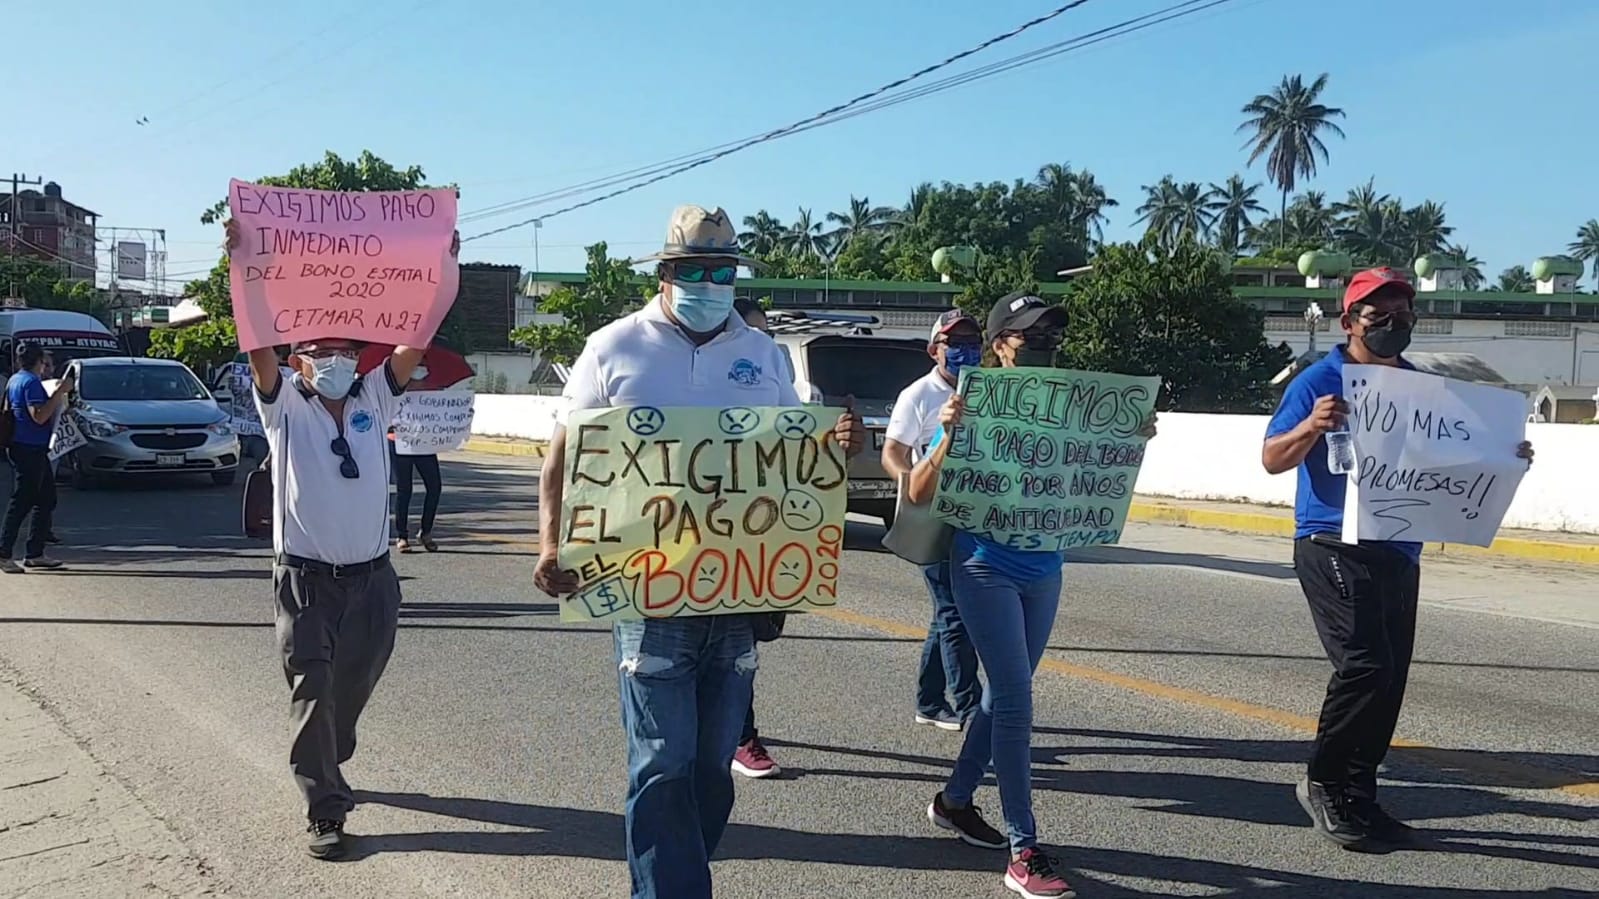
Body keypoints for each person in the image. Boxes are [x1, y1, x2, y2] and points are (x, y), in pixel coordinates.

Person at [534, 206, 863, 899]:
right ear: (666, 272)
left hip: (738, 595)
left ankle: (675, 875)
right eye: (695, 271)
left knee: (711, 767)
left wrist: (832, 447)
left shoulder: (760, 352)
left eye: (722, 271)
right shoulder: (613, 346)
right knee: (660, 762)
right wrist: (549, 542)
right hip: (647, 593)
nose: (711, 282)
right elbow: (563, 456)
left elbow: (792, 453)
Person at [1262, 267, 1533, 852]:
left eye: (1403, 315)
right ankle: (1325, 783)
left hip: (1398, 546)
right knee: (1362, 666)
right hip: (1331, 540)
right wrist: (1312, 425)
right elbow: (1271, 459)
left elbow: (1448, 460)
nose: (1392, 324)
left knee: (1389, 678)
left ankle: (1360, 793)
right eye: (1377, 315)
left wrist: (1504, 455)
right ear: (1349, 321)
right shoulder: (1320, 379)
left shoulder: (1421, 388)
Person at [906, 292, 1156, 899]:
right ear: (999, 346)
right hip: (985, 564)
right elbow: (915, 493)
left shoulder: (1075, 405)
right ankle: (1024, 848)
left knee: (1000, 699)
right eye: (1028, 337)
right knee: (1016, 701)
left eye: (1050, 337)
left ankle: (955, 800)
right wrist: (947, 438)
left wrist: (1130, 437)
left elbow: (1088, 474)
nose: (1043, 346)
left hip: (1044, 566)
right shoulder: (969, 404)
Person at [227, 220, 458, 860]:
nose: (338, 359)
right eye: (323, 350)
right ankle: (325, 808)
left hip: (374, 581)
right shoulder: (282, 405)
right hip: (305, 581)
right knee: (311, 689)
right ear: (299, 357)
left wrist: (439, 278)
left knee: (349, 690)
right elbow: (258, 346)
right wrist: (244, 270)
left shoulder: (375, 397)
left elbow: (417, 338)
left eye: (347, 348)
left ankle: (334, 750)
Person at [882, 308, 984, 731]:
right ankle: (970, 708)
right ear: (934, 350)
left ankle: (928, 701)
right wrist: (912, 487)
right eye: (954, 344)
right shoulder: (918, 395)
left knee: (947, 613)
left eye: (972, 344)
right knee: (956, 612)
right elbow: (893, 452)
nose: (964, 352)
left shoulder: (990, 391)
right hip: (933, 516)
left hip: (976, 514)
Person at [728, 296, 783, 779]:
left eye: (766, 334)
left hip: (751, 542)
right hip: (680, 547)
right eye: (751, 332)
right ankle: (740, 735)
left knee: (744, 647)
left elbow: (800, 450)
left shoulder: (772, 378)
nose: (758, 342)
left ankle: (737, 730)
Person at [2, 342, 75, 573]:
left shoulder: (15, 379)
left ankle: (35, 553)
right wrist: (59, 393)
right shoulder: (31, 383)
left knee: (46, 499)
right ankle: (3, 553)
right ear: (39, 362)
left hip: (26, 446)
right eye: (45, 362)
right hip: (28, 448)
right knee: (21, 501)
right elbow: (39, 416)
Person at [391, 369, 443, 554]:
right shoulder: (393, 381)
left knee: (434, 486)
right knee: (404, 489)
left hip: (424, 441)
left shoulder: (433, 384)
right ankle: (402, 535)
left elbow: (441, 411)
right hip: (400, 440)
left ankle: (426, 532)